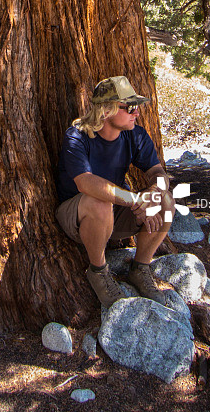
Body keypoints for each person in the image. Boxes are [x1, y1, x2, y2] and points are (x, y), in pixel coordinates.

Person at [55, 76, 175, 308]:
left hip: (115, 211)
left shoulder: (136, 135)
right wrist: (135, 201)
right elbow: (85, 183)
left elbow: (158, 172)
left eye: (137, 106)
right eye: (129, 107)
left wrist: (152, 193)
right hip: (77, 215)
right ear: (106, 110)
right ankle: (98, 271)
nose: (137, 112)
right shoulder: (77, 136)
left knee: (167, 201)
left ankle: (140, 268)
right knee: (99, 201)